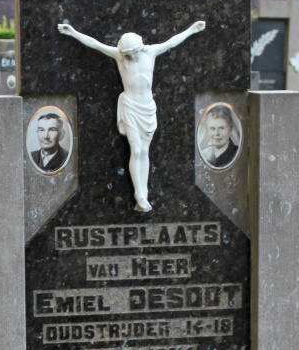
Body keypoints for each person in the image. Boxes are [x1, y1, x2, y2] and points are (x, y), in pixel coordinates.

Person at [57, 20, 206, 212]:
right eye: (128, 54)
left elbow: (172, 42)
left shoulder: (150, 52)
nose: (131, 57)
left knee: (144, 151)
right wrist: (73, 32)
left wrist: (192, 30)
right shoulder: (120, 56)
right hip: (130, 106)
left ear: (140, 46)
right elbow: (94, 44)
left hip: (147, 108)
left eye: (133, 53)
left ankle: (142, 192)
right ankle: (140, 195)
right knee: (136, 149)